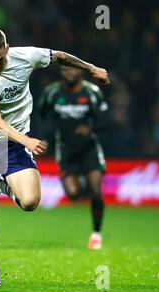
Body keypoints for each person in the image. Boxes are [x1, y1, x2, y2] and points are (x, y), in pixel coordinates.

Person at [0, 28, 110, 286]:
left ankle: (4, 184)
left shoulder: (25, 56)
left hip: (13, 144)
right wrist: (27, 140)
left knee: (29, 202)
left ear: (7, 48)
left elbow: (59, 57)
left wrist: (90, 68)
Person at [38, 66, 109, 250]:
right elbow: (42, 116)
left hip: (89, 148)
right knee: (73, 194)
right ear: (61, 72)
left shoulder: (91, 92)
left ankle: (96, 234)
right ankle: (82, 183)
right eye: (65, 71)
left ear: (80, 72)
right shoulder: (51, 93)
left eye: (73, 71)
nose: (69, 73)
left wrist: (90, 129)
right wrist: (45, 138)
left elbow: (105, 120)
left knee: (96, 190)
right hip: (66, 150)